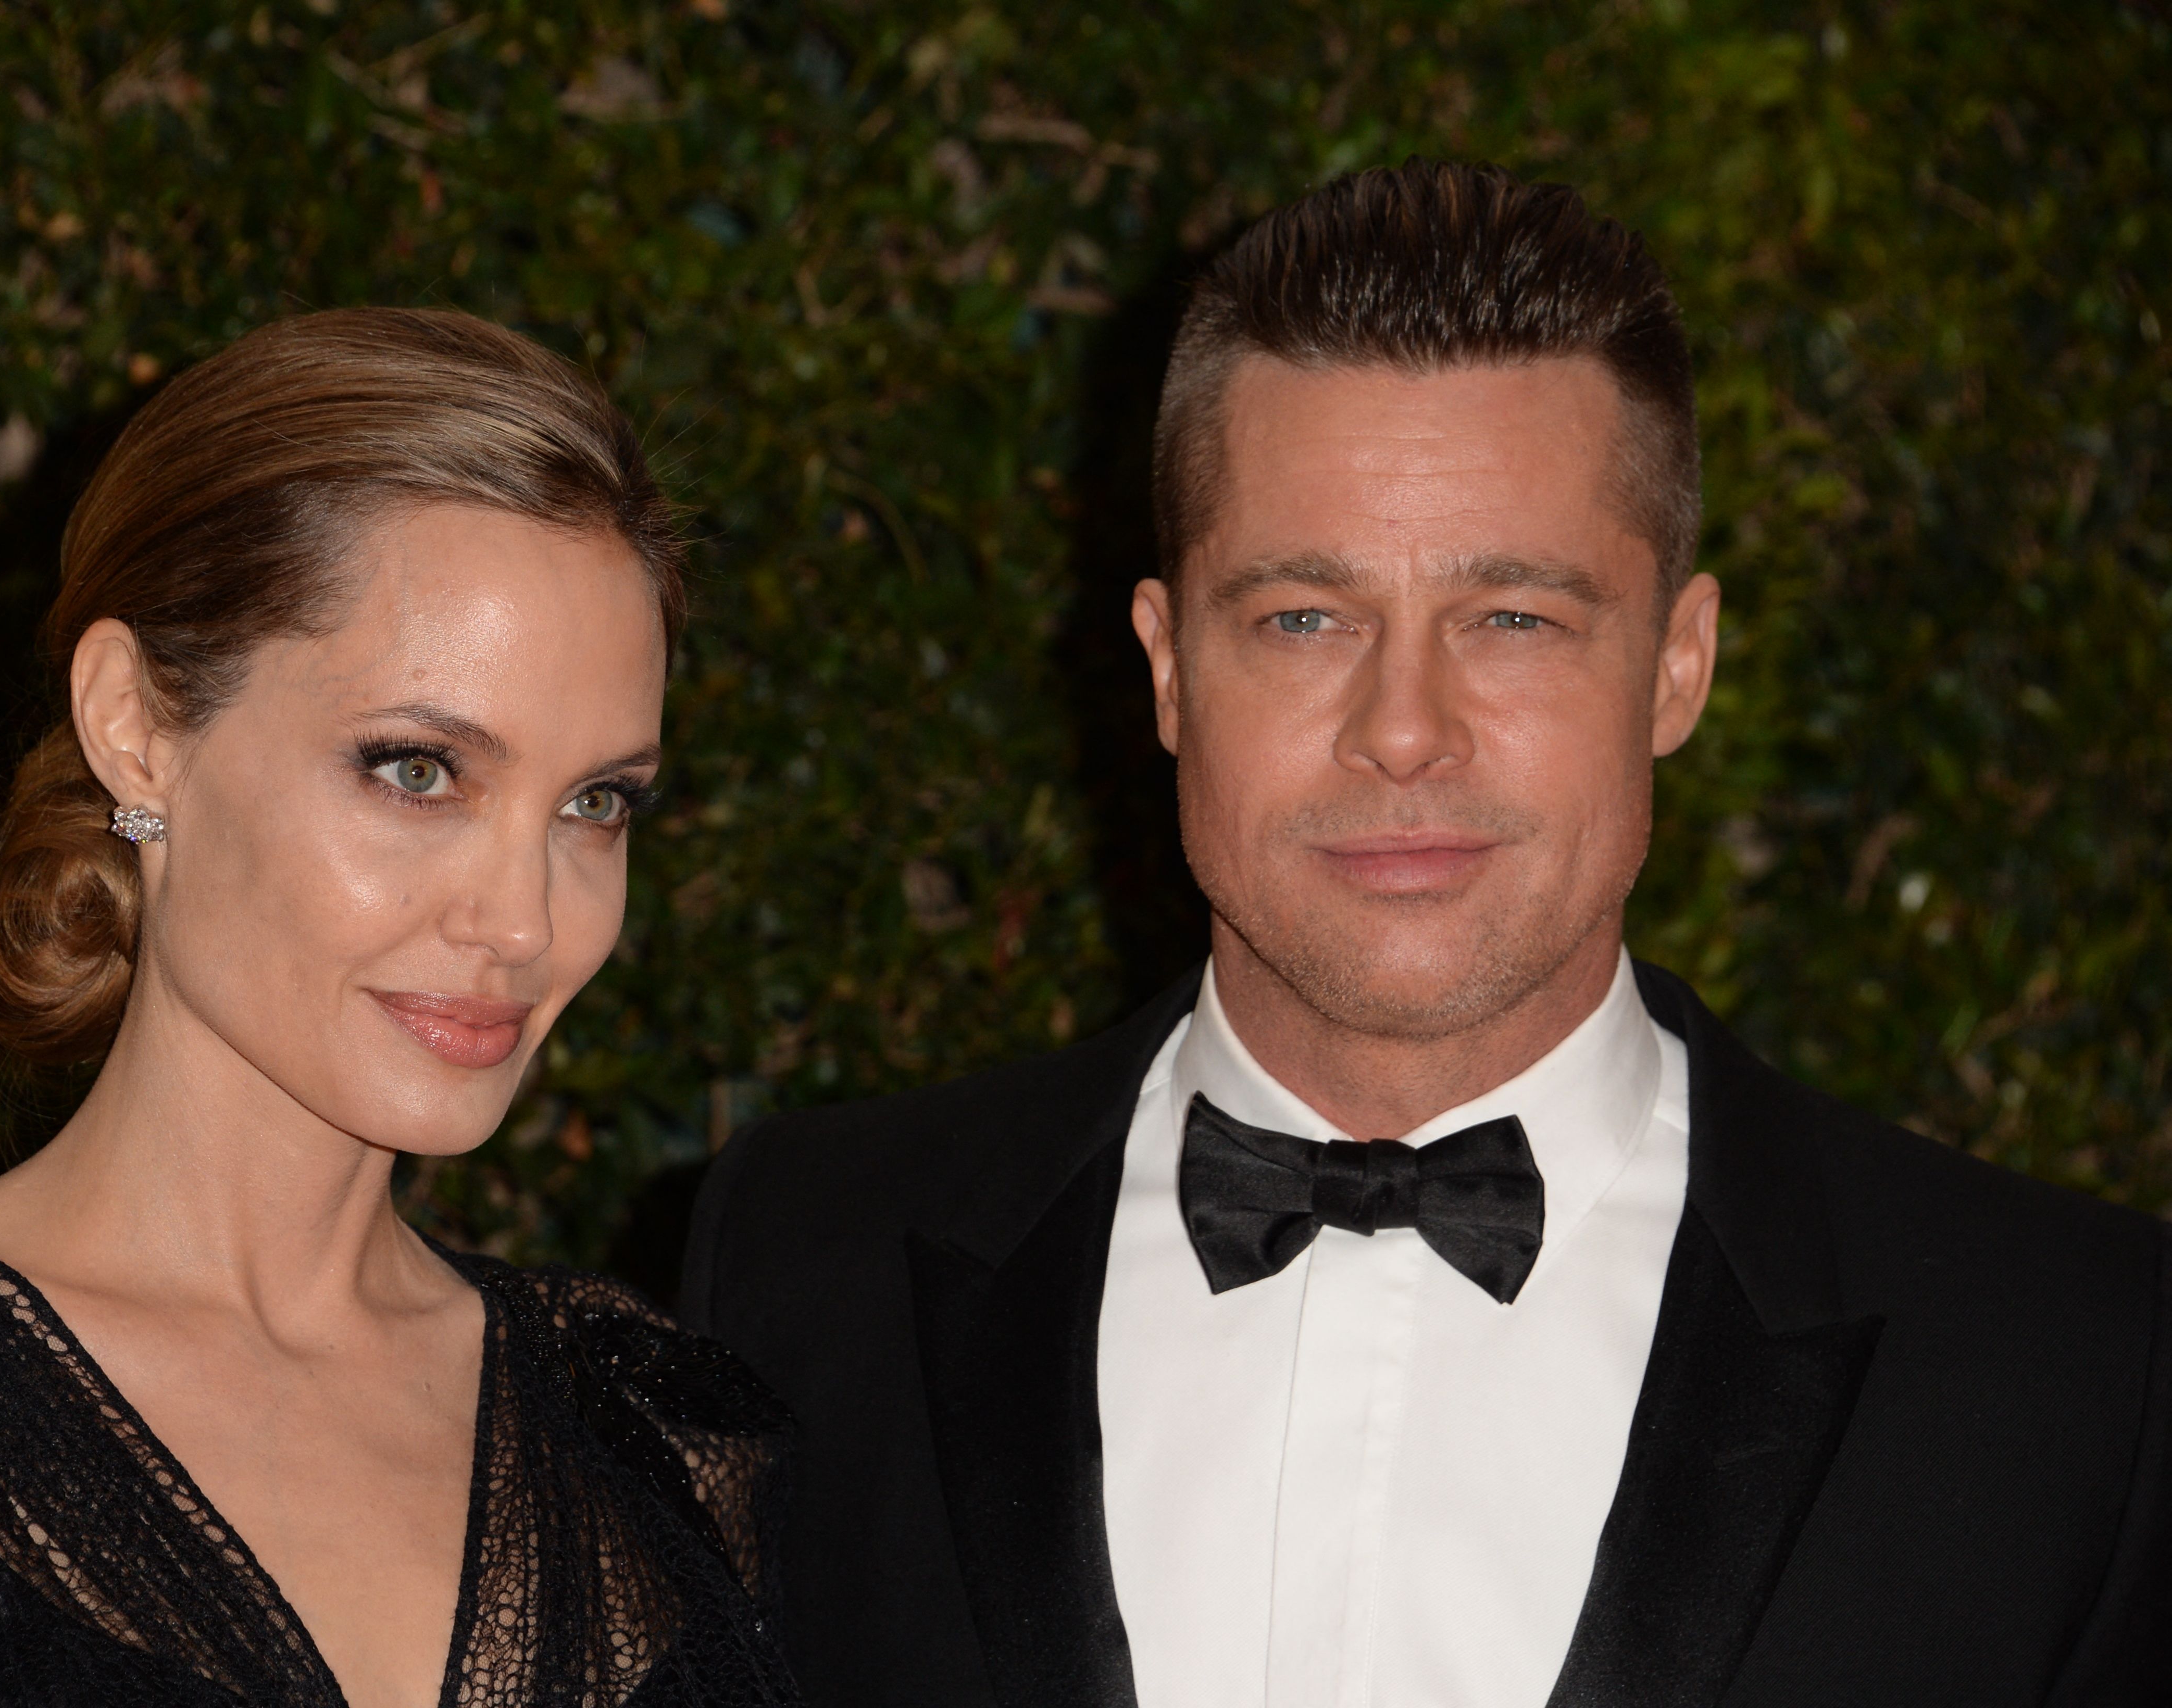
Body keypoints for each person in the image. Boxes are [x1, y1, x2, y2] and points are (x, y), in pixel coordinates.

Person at [682, 161, 2172, 1708]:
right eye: (1304, 620)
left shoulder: (2077, 1369)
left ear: (1678, 665)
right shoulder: (795, 1273)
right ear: (1167, 667)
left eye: (1513, 619)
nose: (1403, 732)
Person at [0, 309, 796, 1708]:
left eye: (598, 804)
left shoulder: (668, 1441)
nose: (528, 922)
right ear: (137, 726)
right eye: (419, 772)